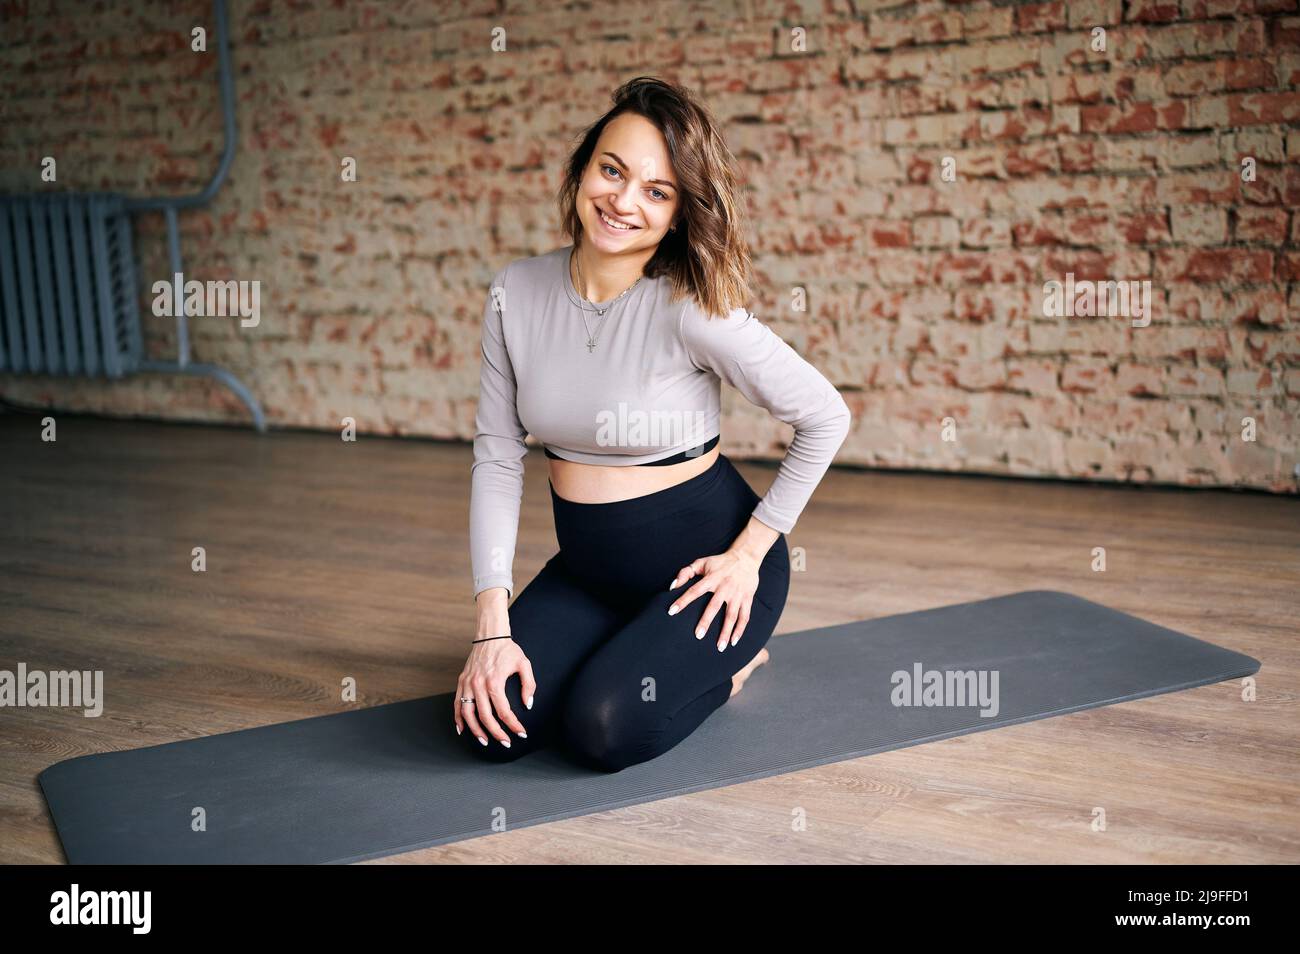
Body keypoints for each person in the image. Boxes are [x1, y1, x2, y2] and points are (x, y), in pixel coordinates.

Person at [455, 76, 851, 773]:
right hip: (589, 575)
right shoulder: (515, 293)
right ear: (582, 169)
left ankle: (729, 671)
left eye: (656, 191)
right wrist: (492, 624)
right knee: (491, 729)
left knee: (602, 728)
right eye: (612, 170)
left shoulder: (691, 308)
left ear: (676, 214)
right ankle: (616, 643)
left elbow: (825, 415)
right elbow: (495, 455)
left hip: (709, 580)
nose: (623, 200)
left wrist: (749, 555)